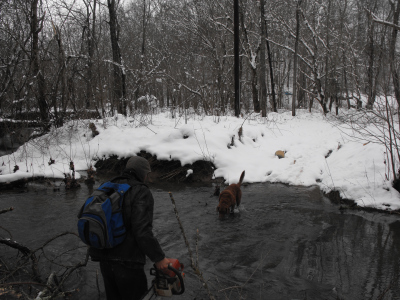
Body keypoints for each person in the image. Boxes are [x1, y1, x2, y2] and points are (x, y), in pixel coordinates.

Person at [89, 156, 172, 300]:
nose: (147, 178)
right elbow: (142, 231)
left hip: (104, 260)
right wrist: (159, 258)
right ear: (142, 173)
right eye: (147, 174)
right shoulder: (140, 191)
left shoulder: (108, 186)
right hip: (128, 263)